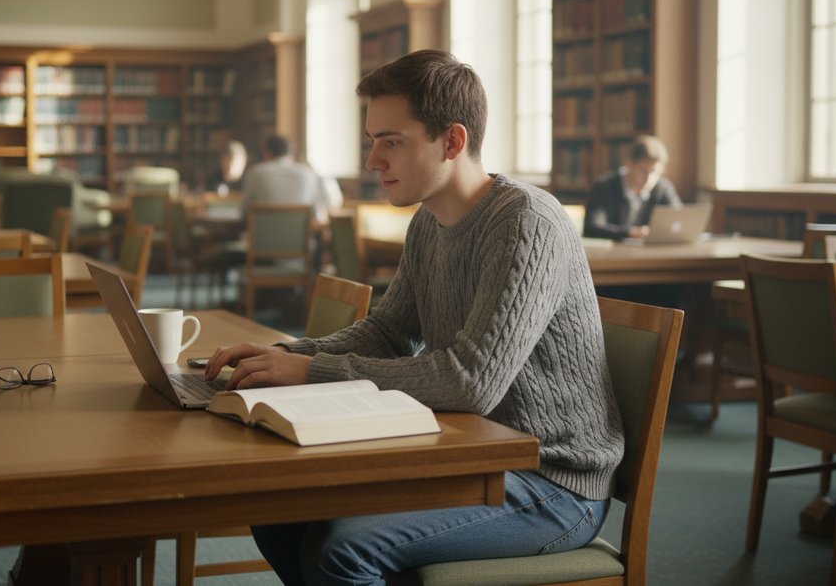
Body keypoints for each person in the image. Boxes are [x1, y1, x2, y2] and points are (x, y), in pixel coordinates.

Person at [205, 50, 623, 585]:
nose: (372, 161)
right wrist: (286, 355)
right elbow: (389, 332)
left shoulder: (526, 222)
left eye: (391, 142)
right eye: (371, 141)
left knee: (342, 553)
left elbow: (470, 382)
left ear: (452, 142)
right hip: (469, 453)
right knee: (278, 509)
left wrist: (312, 372)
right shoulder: (429, 221)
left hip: (553, 483)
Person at [582, 134, 682, 240]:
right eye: (642, 171)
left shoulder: (663, 188)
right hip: (614, 250)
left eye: (654, 172)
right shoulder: (603, 187)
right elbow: (591, 228)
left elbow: (679, 219)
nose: (649, 179)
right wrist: (630, 233)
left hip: (652, 250)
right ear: (629, 164)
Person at [240, 135, 340, 225]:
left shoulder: (255, 173)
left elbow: (245, 211)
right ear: (291, 153)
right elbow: (319, 209)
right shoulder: (308, 174)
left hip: (261, 238)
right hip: (302, 238)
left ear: (266, 153)